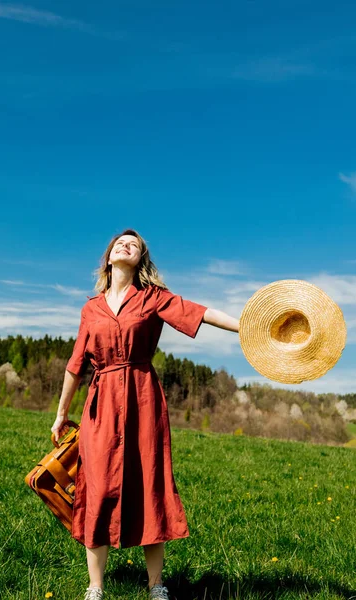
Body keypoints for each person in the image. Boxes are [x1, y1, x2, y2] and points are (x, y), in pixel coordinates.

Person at [51, 229, 240, 600]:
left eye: (134, 245)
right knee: (98, 486)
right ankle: (95, 586)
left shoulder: (153, 298)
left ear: (140, 260)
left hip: (143, 399)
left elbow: (201, 313)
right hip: (101, 403)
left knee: (149, 483)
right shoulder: (91, 308)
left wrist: (248, 326)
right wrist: (60, 415)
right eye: (120, 243)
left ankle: (156, 586)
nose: (126, 245)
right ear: (109, 258)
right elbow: (75, 366)